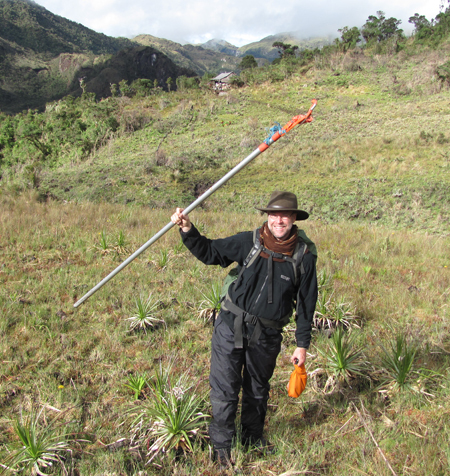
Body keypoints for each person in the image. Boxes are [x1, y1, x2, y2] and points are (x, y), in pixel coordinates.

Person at [171, 191, 318, 467]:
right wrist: (188, 229)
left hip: (267, 337)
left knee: (257, 390)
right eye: (273, 214)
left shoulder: (304, 258)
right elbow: (211, 252)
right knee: (225, 389)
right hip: (230, 327)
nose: (278, 220)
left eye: (284, 215)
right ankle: (222, 448)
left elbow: (307, 304)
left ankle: (252, 439)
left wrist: (302, 344)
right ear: (267, 216)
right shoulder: (249, 242)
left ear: (294, 219)